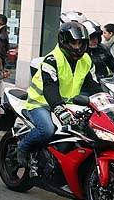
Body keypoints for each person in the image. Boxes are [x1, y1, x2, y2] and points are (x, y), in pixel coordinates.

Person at [17, 21, 103, 167]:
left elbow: (93, 85)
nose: (77, 47)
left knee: (86, 131)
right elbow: (50, 86)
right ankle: (23, 147)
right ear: (64, 41)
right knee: (47, 130)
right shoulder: (52, 59)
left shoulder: (87, 60)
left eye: (80, 43)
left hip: (68, 105)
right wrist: (58, 107)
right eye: (73, 43)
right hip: (41, 103)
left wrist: (106, 101)